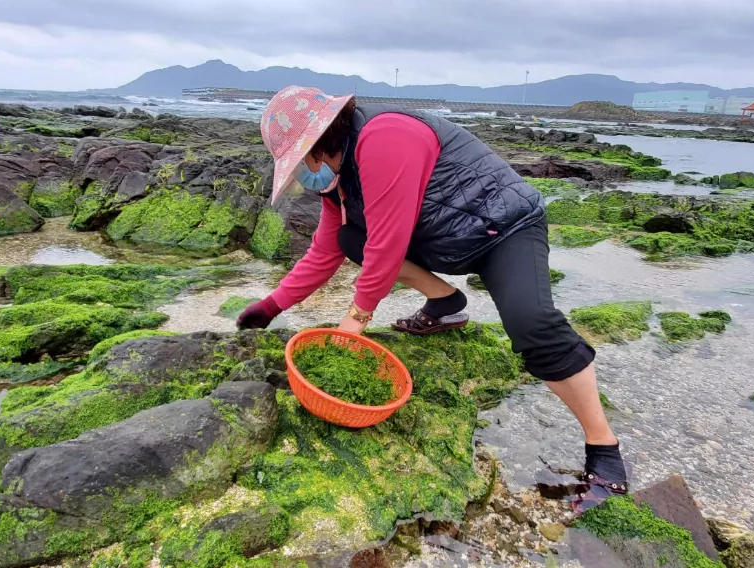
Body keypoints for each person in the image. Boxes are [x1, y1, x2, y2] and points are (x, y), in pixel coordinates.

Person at [237, 85, 627, 511]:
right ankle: (444, 303)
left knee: (532, 325)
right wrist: (272, 305)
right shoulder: (337, 179)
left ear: (317, 143)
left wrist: (355, 319)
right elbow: (325, 250)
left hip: (506, 229)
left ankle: (604, 450)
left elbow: (388, 242)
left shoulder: (385, 137)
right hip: (445, 240)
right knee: (352, 237)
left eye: (298, 163)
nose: (301, 175)